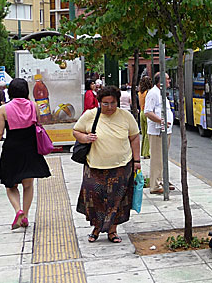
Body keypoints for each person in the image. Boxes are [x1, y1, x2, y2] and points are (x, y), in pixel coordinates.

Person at [73, 86, 141, 243]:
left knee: (116, 200)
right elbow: (76, 131)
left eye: (113, 103)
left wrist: (137, 161)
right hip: (95, 166)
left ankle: (112, 230)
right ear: (99, 102)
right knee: (95, 198)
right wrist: (85, 138)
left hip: (121, 166)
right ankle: (97, 228)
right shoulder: (90, 115)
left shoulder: (126, 116)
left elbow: (134, 137)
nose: (110, 107)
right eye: (105, 103)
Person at [0, 78, 52, 229]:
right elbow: (38, 125)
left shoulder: (3, 109)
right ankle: (25, 214)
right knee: (28, 185)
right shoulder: (34, 106)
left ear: (10, 91)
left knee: (10, 185)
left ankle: (18, 210)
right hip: (30, 148)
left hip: (12, 149)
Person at [144, 73, 174, 194]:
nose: (169, 81)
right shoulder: (153, 93)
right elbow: (147, 112)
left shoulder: (161, 93)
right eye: (167, 79)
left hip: (165, 130)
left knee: (163, 157)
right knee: (157, 158)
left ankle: (161, 180)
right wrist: (161, 121)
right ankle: (155, 185)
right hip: (157, 131)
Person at [137, 77, 152, 159]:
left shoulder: (140, 93)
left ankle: (143, 151)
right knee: (147, 133)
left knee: (143, 134)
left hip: (141, 112)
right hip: (146, 112)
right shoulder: (148, 92)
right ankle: (146, 153)